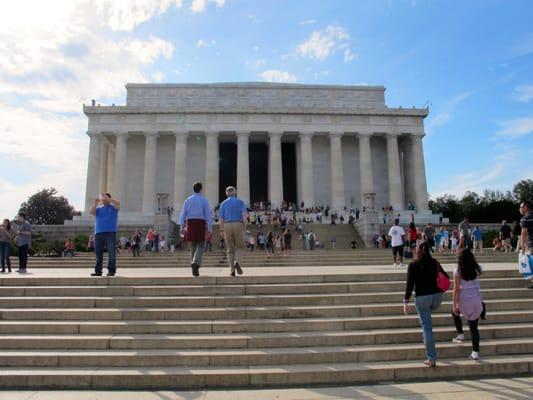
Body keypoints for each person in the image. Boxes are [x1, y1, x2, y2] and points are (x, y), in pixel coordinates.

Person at [403, 241, 449, 367]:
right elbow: (446, 277)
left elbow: (409, 285)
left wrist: (406, 301)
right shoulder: (435, 262)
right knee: (426, 321)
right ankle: (429, 351)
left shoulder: (413, 265)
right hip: (437, 297)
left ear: (417, 251)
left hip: (422, 298)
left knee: (427, 328)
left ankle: (431, 357)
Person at [451, 248, 484, 361]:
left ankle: (460, 334)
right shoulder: (477, 269)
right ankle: (475, 352)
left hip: (464, 300)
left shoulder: (458, 270)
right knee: (474, 328)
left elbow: (456, 289)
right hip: (477, 299)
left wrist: (454, 303)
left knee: (454, 312)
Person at [179, 182, 212, 277]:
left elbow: (183, 214)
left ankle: (194, 266)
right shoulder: (204, 200)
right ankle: (195, 263)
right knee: (201, 245)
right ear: (201, 189)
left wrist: (181, 227)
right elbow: (208, 215)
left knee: (192, 246)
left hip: (190, 223)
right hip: (200, 223)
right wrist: (209, 228)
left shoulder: (187, 200)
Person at [90, 193, 120, 277]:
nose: (103, 200)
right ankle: (98, 271)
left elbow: (118, 204)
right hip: (98, 233)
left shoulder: (113, 208)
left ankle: (111, 270)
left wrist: (110, 199)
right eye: (103, 198)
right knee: (98, 254)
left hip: (110, 233)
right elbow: (91, 212)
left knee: (111, 253)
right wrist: (95, 204)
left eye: (105, 198)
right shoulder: (99, 208)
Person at [218, 186, 247, 277]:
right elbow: (244, 216)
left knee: (230, 249)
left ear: (227, 193)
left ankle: (232, 270)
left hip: (227, 225)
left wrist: (221, 230)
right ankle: (237, 262)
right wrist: (244, 226)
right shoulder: (240, 202)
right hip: (238, 223)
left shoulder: (223, 204)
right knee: (240, 246)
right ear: (235, 192)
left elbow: (221, 219)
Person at [519, 200, 533, 289]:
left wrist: (522, 247)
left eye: (521, 206)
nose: (519, 209)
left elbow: (524, 233)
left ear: (525, 207)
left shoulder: (525, 218)